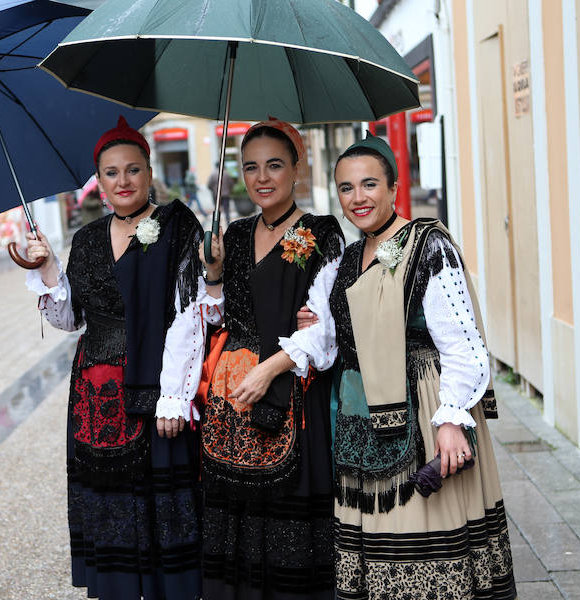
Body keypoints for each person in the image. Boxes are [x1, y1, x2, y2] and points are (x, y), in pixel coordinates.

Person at [299, 133, 517, 599]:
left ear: (396, 187)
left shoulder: (427, 245)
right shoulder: (350, 257)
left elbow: (465, 347)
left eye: (370, 184)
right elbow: (349, 337)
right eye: (346, 187)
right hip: (359, 419)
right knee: (376, 549)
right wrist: (320, 323)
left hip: (422, 410)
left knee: (426, 536)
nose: (358, 198)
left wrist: (452, 421)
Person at [23, 116, 205, 600]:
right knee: (111, 513)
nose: (122, 181)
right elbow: (69, 318)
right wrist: (46, 268)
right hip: (95, 397)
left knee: (162, 506)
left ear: (149, 173)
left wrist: (175, 394)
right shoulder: (84, 240)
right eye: (110, 172)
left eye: (132, 170)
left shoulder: (178, 224)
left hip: (159, 386)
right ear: (98, 182)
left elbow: (192, 311)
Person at [198, 117, 345, 599]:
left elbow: (326, 326)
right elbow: (217, 318)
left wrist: (271, 367)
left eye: (275, 165)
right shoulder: (233, 235)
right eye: (251, 167)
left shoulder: (322, 234)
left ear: (297, 169)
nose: (262, 177)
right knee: (237, 524)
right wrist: (214, 274)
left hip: (292, 394)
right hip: (233, 403)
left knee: (290, 521)